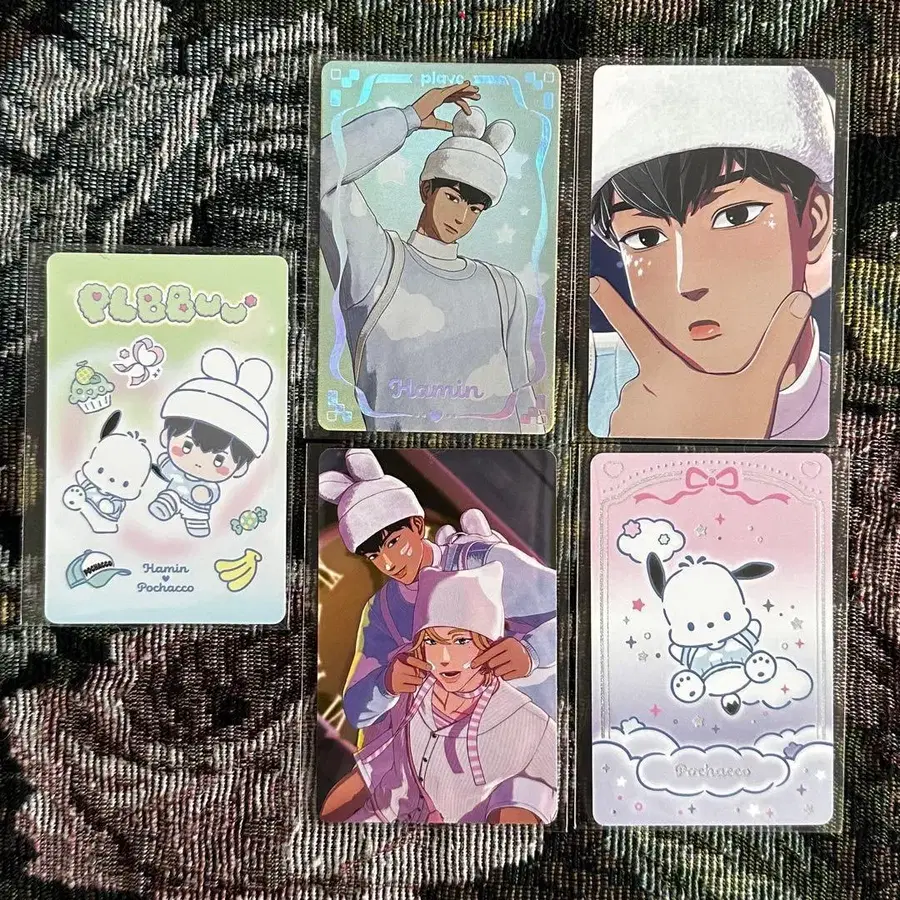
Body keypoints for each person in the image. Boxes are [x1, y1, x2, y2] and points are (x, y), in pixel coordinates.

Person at [587, 65, 835, 440]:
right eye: (645, 238)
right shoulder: (587, 379)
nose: (689, 281)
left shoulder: (854, 407)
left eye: (736, 216)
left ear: (813, 224)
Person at [320, 80, 542, 433]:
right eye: (453, 197)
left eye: (475, 208)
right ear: (427, 189)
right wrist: (407, 118)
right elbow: (318, 169)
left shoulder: (504, 287)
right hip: (400, 460)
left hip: (498, 462)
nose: (461, 216)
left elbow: (525, 398)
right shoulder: (378, 263)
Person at [318, 449, 557, 733]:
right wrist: (386, 683)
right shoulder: (383, 609)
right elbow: (356, 711)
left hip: (535, 723)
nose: (389, 563)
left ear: (417, 525)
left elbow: (575, 610)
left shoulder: (482, 559)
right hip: (459, 744)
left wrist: (533, 652)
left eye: (394, 543)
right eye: (374, 556)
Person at [320, 564, 557, 823]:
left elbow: (515, 828)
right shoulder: (410, 698)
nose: (444, 658)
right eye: (432, 642)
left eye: (460, 641)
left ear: (490, 644)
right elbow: (367, 778)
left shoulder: (530, 726)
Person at [148, 347, 273, 537]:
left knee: (197, 526)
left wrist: (200, 494)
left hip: (196, 510)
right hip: (170, 498)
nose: (199, 462)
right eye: (187, 446)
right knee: (170, 497)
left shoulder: (209, 486)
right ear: (166, 436)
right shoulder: (172, 467)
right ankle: (166, 506)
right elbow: (163, 467)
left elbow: (207, 495)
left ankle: (195, 528)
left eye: (218, 460)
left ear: (239, 468)